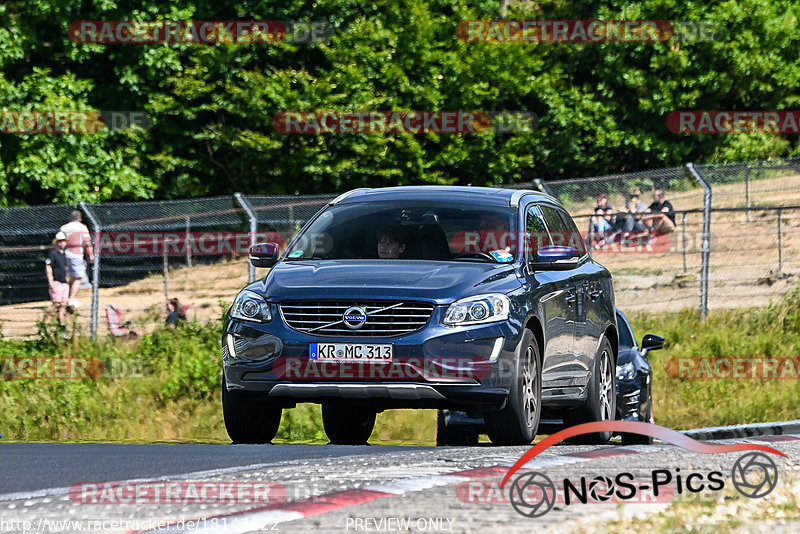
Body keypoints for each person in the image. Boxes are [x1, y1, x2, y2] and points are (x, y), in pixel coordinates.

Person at [60, 210, 94, 308]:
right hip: (77, 255)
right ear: (80, 218)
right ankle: (71, 299)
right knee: (78, 278)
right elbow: (87, 242)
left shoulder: (64, 228)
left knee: (69, 278)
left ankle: (65, 299)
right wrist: (90, 255)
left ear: (70, 218)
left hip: (65, 255)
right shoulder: (82, 227)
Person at [44, 231, 69, 327]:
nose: (61, 243)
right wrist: (51, 281)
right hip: (56, 281)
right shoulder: (53, 254)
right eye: (59, 241)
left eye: (63, 241)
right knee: (56, 303)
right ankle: (45, 322)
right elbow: (48, 266)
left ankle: (61, 322)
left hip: (64, 282)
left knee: (63, 303)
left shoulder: (65, 255)